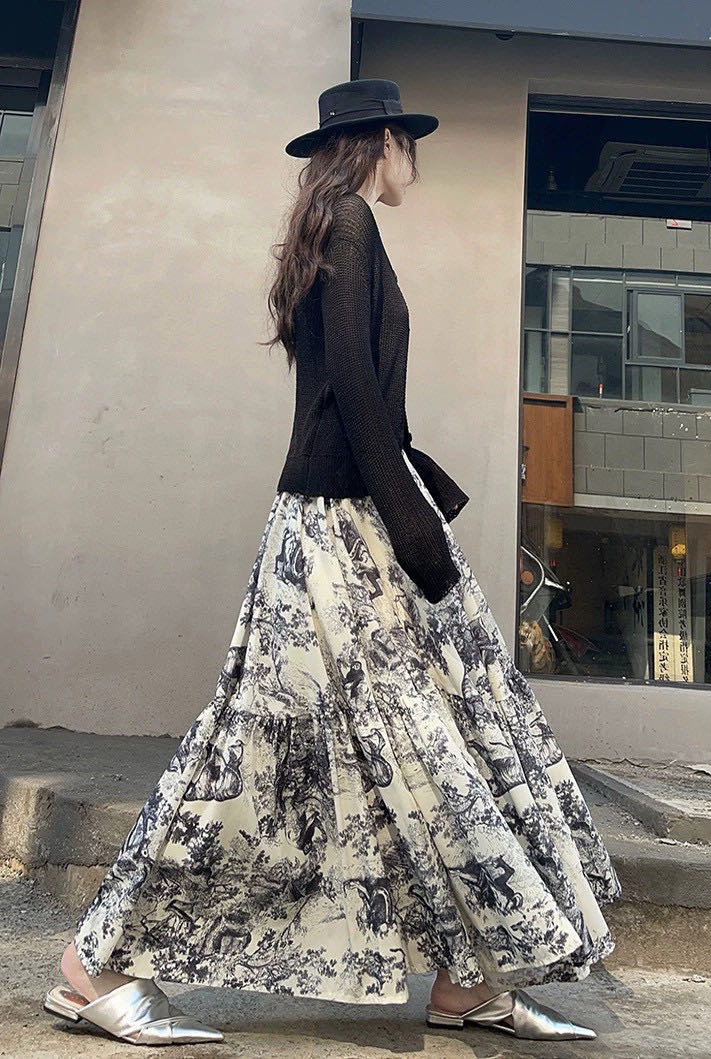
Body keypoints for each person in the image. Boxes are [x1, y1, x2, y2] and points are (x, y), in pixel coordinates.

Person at [44, 78, 620, 1047]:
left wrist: (411, 504)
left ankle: (466, 981)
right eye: (409, 144)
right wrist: (415, 529)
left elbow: (360, 402)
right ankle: (89, 968)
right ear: (384, 141)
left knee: (428, 738)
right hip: (335, 530)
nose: (414, 164)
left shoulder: (336, 224)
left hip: (340, 520)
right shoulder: (351, 222)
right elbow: (352, 392)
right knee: (265, 751)